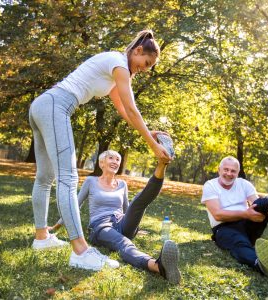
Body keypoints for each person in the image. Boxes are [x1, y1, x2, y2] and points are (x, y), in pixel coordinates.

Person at [28, 30, 172, 271]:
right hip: (56, 105)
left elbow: (125, 112)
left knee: (45, 179)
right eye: (145, 63)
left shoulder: (116, 69)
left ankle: (41, 237)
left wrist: (150, 133)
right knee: (68, 177)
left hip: (42, 105)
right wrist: (153, 146)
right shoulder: (120, 65)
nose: (144, 69)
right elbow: (132, 108)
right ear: (137, 51)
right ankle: (81, 251)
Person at [51, 149, 181, 284]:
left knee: (139, 202)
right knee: (124, 243)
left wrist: (134, 227)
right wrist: (58, 225)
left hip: (120, 221)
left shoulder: (122, 184)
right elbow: (75, 204)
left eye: (118, 159)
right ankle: (157, 266)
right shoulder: (91, 181)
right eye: (111, 158)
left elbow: (129, 209)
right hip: (100, 226)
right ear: (101, 163)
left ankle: (162, 164)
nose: (115, 162)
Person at [201, 156, 268, 281]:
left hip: (249, 224)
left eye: (233, 171)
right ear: (219, 170)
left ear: (238, 172)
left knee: (262, 204)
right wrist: (245, 214)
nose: (229, 173)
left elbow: (257, 203)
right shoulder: (210, 185)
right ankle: (259, 263)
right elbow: (218, 214)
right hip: (224, 228)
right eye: (226, 169)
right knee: (239, 244)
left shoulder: (244, 183)